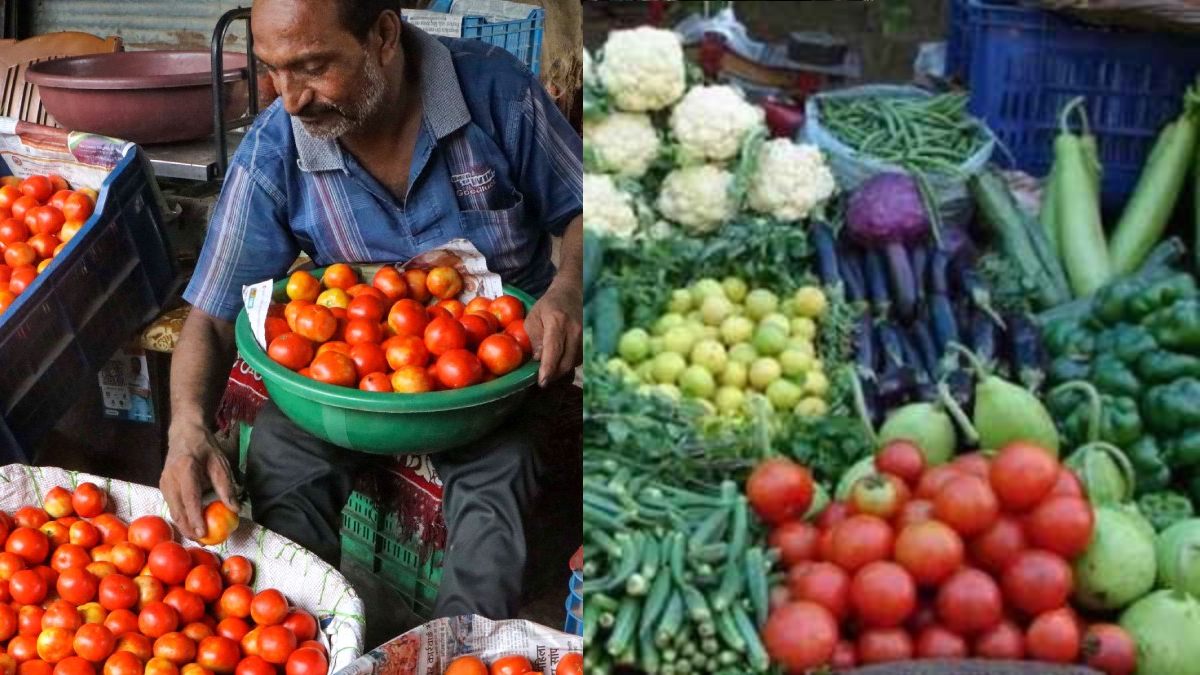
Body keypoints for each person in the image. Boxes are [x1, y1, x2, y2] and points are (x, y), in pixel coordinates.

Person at [160, 0, 582, 620]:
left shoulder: (497, 95)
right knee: (281, 451)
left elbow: (584, 211)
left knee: (503, 486)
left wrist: (567, 290)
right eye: (274, 70)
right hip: (349, 391)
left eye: (312, 66)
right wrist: (187, 425)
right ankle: (307, 639)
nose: (291, 97)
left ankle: (458, 654)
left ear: (384, 35)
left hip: (490, 389)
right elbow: (213, 312)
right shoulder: (278, 145)